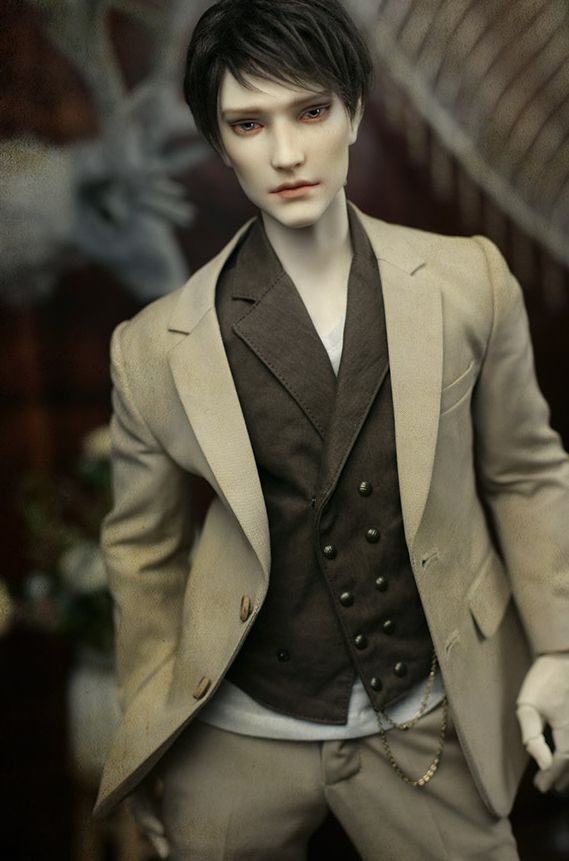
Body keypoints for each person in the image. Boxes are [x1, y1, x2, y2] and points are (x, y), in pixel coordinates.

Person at [94, 1, 569, 858]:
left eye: (310, 111)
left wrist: (560, 647)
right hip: (239, 731)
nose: (285, 153)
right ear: (218, 141)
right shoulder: (154, 347)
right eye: (248, 123)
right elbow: (142, 552)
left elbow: (524, 470)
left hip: (427, 717)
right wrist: (148, 730)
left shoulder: (468, 281)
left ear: (352, 111)